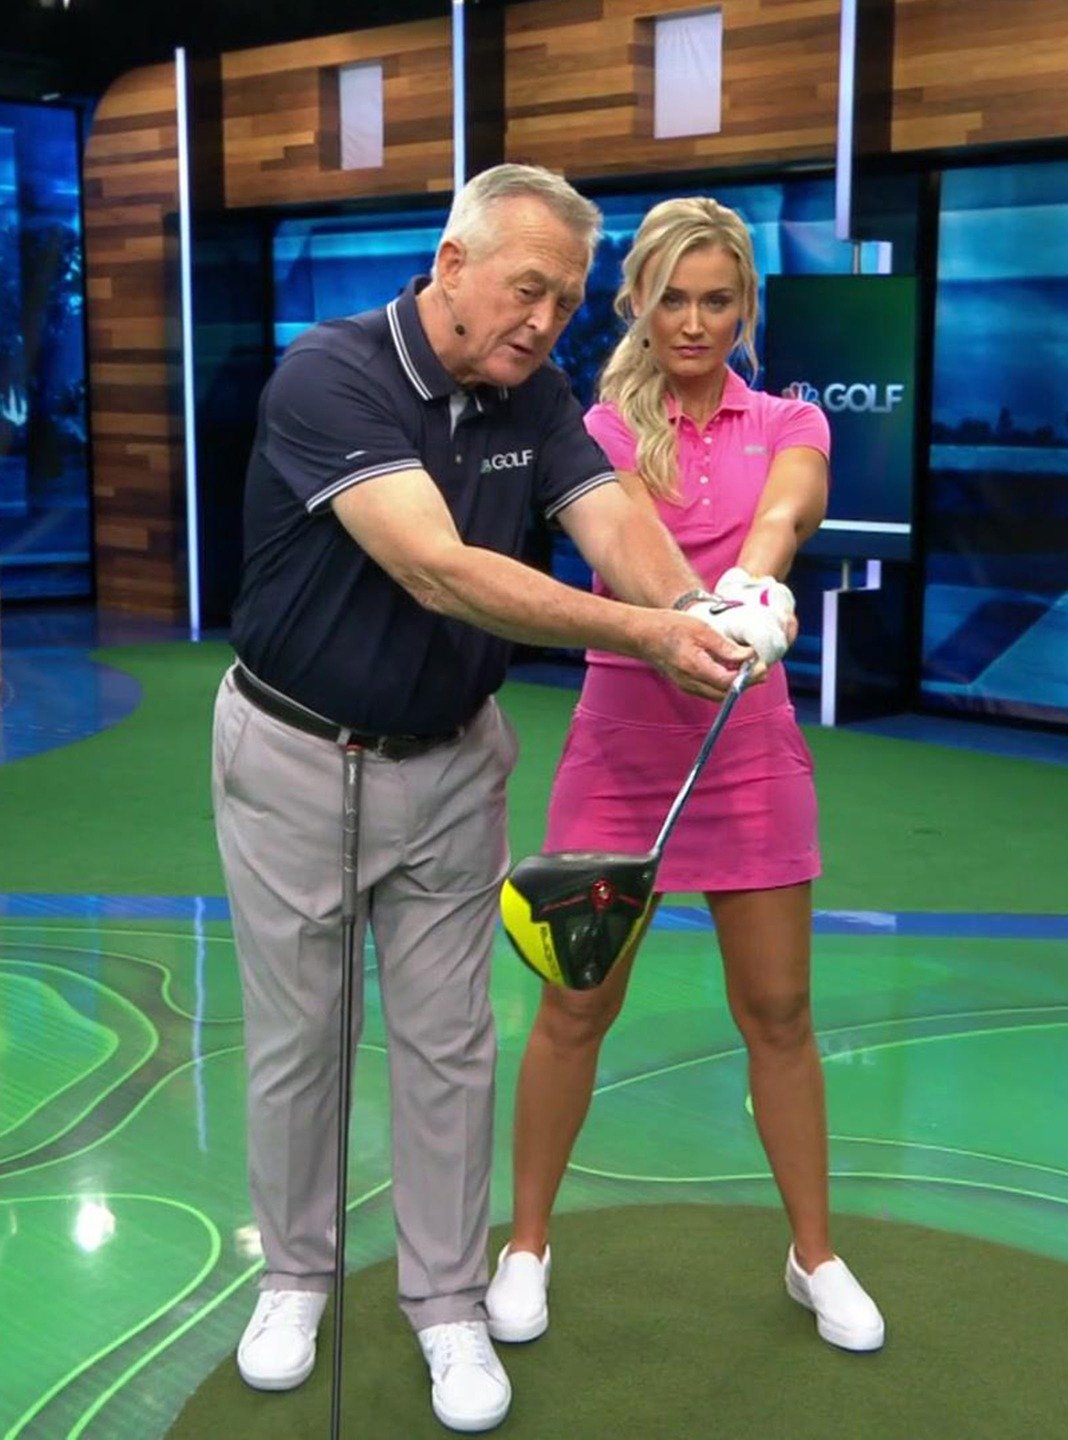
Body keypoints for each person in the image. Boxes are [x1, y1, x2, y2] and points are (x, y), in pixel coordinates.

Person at [211, 166, 774, 1435]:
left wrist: (696, 607)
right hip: (295, 755)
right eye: (528, 290)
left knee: (450, 1043)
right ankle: (294, 1279)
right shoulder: (331, 375)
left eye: (566, 301)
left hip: (455, 760)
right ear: (451, 264)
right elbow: (438, 568)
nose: (545, 321)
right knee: (301, 1040)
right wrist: (647, 635)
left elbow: (608, 517)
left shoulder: (539, 393)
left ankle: (448, 1304)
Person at [484, 196, 886, 1358]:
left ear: (745, 306)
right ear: (640, 305)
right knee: (576, 1004)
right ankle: (526, 1245)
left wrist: (752, 585)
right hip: (621, 752)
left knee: (781, 1012)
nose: (696, 322)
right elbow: (618, 546)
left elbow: (788, 508)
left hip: (749, 755)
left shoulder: (791, 418)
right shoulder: (601, 431)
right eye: (674, 299)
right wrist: (694, 609)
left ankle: (815, 1257)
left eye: (718, 300)